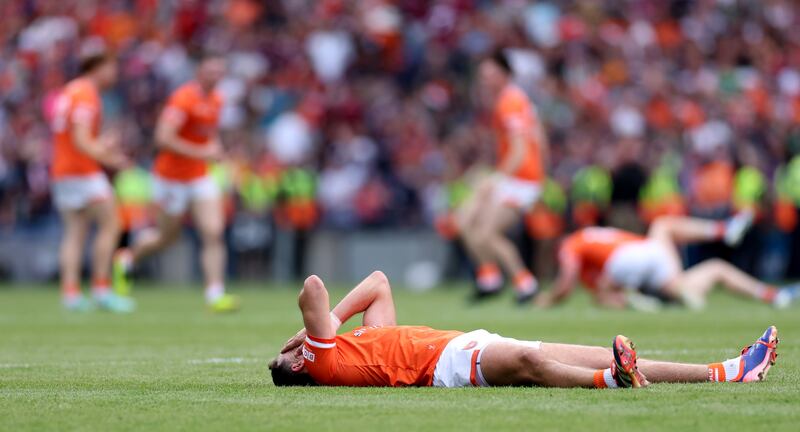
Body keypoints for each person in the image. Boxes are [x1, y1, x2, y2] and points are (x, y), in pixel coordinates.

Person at [269, 272, 778, 388]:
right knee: (533, 365)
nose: (285, 350)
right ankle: (611, 384)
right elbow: (313, 287)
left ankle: (731, 372)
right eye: (283, 356)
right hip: (453, 366)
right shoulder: (322, 360)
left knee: (601, 351)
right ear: (298, 363)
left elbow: (379, 283)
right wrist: (313, 333)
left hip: (467, 343)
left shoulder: (357, 344)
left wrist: (334, 326)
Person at [113, 55, 239, 312]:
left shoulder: (217, 99)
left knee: (213, 231)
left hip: (199, 176)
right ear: (199, 72)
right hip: (170, 178)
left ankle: (215, 294)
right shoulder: (184, 99)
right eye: (210, 71)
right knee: (166, 237)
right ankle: (126, 258)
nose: (215, 76)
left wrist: (216, 151)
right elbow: (163, 138)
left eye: (219, 71)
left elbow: (208, 133)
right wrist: (202, 152)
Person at [536, 212, 799, 310]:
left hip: (632, 260)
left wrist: (546, 300)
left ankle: (646, 301)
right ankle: (773, 295)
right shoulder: (590, 240)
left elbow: (565, 283)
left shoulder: (570, 244)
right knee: (714, 268)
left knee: (662, 226)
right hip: (647, 260)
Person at [457, 50, 548, 304]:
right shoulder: (516, 100)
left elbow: (519, 151)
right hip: (522, 177)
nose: (486, 80)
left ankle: (524, 283)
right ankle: (491, 278)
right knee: (466, 221)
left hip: (520, 180)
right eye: (483, 75)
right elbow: (537, 137)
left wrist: (495, 178)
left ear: (505, 74)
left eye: (491, 74)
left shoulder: (509, 103)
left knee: (484, 231)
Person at [50, 52, 135, 313]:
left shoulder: (70, 91)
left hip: (62, 170)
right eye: (112, 67)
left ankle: (71, 293)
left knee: (75, 232)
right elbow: (81, 139)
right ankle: (101, 289)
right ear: (98, 67)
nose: (115, 74)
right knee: (112, 223)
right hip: (82, 171)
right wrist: (110, 157)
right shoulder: (86, 94)